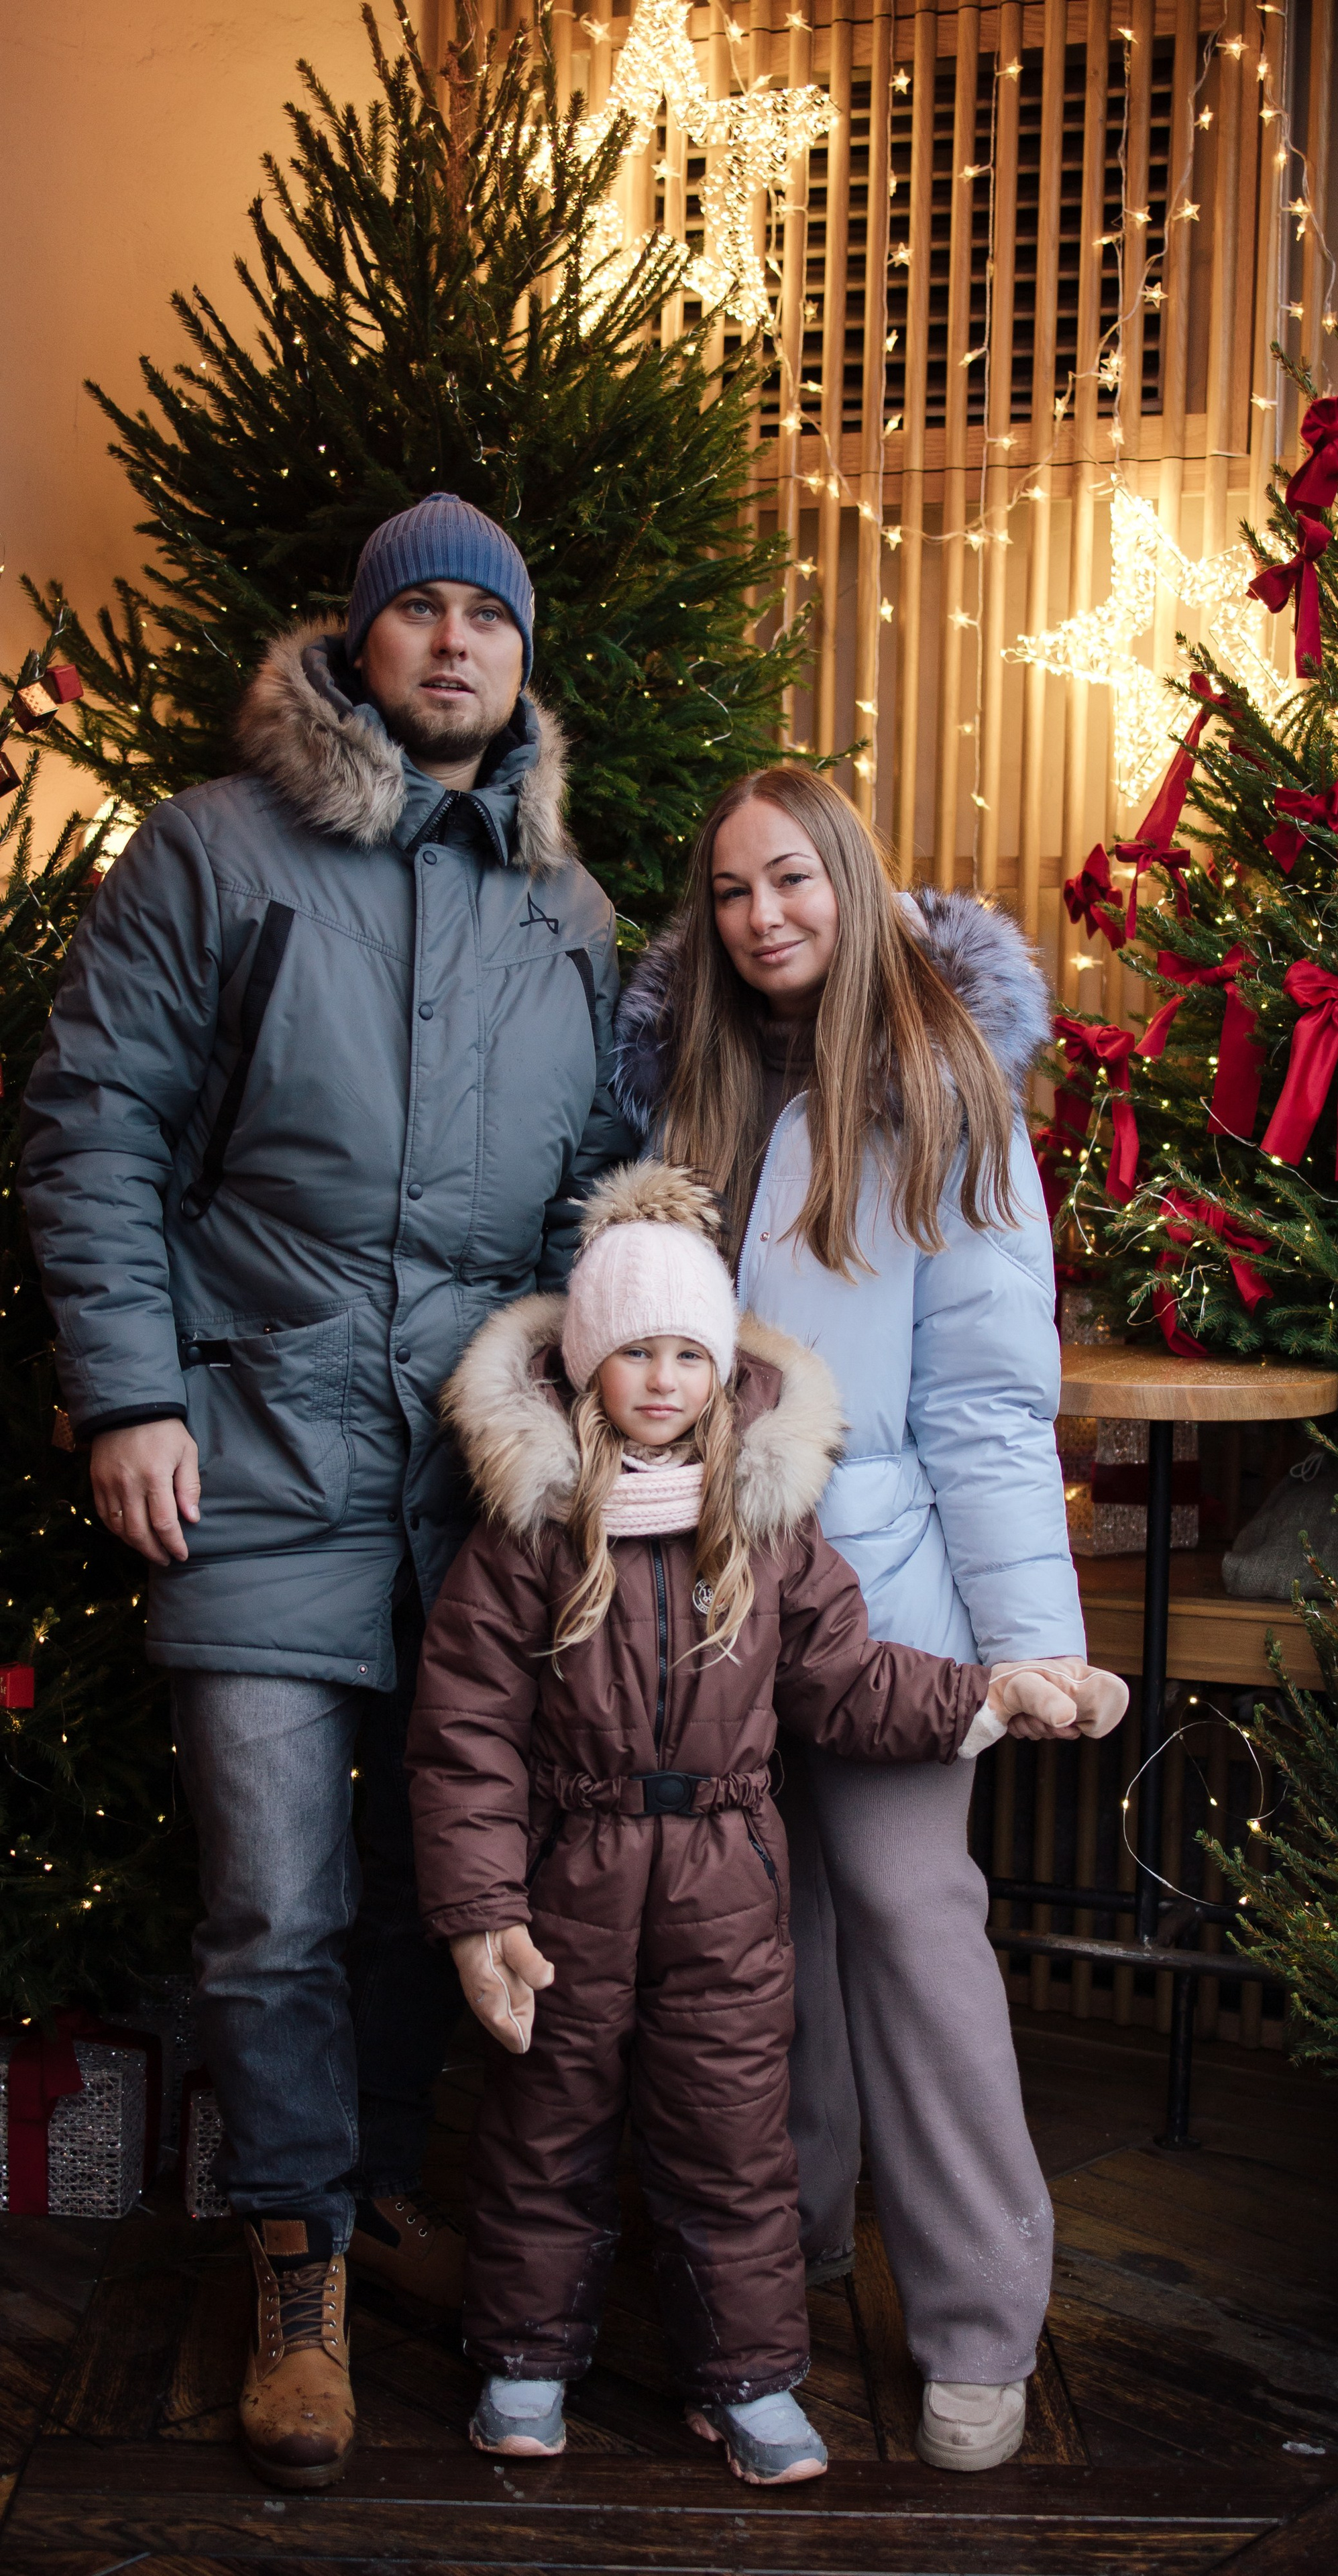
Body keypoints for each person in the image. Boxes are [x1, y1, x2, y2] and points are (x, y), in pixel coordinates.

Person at [19, 491, 632, 2493]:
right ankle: (295, 2270)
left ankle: (362, 2204)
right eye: (419, 612)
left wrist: (580, 1455)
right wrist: (129, 1394)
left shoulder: (573, 915)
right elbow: (96, 1118)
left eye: (488, 617)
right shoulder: (214, 851)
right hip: (258, 1442)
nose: (454, 643)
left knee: (417, 1895)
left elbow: (578, 1215)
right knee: (274, 1894)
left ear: (521, 661)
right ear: (358, 645)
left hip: (470, 1484)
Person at [405, 1163, 1123, 2477]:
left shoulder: (769, 1537)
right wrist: (480, 1909)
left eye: (690, 1351)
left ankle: (743, 2379)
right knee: (542, 2125)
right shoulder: (525, 1539)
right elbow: (464, 1738)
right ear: (583, 1373)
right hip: (573, 1872)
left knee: (731, 2134)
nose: (665, 1379)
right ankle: (523, 2361)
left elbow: (850, 1685)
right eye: (635, 1354)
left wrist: (987, 1692)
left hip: (724, 1888)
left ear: (726, 1368)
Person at [612, 770, 1097, 2473]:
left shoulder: (940, 1089)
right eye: (732, 889)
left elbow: (983, 1396)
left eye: (794, 878)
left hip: (886, 1598)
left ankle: (978, 2322)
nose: (764, 917)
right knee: (761, 1937)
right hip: (706, 1603)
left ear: (854, 879)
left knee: (905, 1914)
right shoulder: (682, 1086)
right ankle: (786, 2257)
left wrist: (1027, 1639)